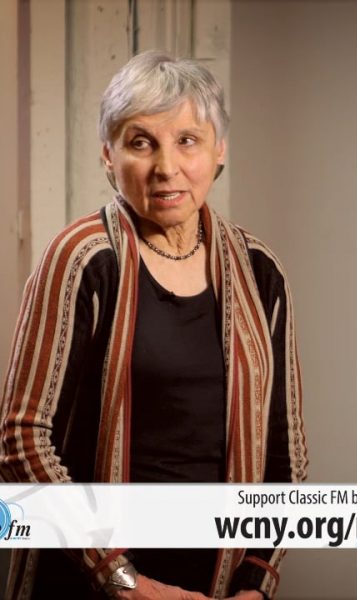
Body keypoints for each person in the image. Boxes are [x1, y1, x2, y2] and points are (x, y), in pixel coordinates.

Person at [0, 51, 308, 599]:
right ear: (108, 153)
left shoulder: (261, 271)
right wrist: (123, 579)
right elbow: (21, 443)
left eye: (188, 140)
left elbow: (287, 454)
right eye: (141, 142)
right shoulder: (81, 259)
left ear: (219, 149)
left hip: (219, 586)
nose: (167, 167)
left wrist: (257, 582)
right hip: (88, 584)